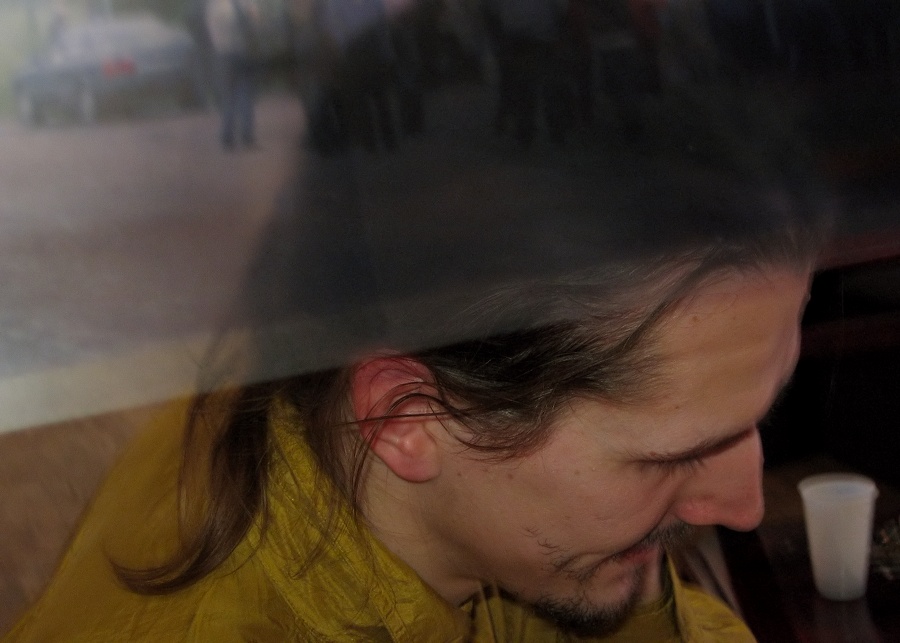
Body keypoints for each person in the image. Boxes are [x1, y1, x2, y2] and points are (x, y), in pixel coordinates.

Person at [4, 86, 831, 641]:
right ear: (407, 418)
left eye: (751, 419)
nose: (745, 504)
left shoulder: (457, 478)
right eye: (671, 455)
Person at [206, 0, 262, 150]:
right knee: (245, 95)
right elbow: (256, 25)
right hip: (242, 52)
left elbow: (211, 31)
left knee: (228, 96)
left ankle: (227, 136)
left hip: (223, 54)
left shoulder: (214, 5)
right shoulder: (245, 3)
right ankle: (247, 136)